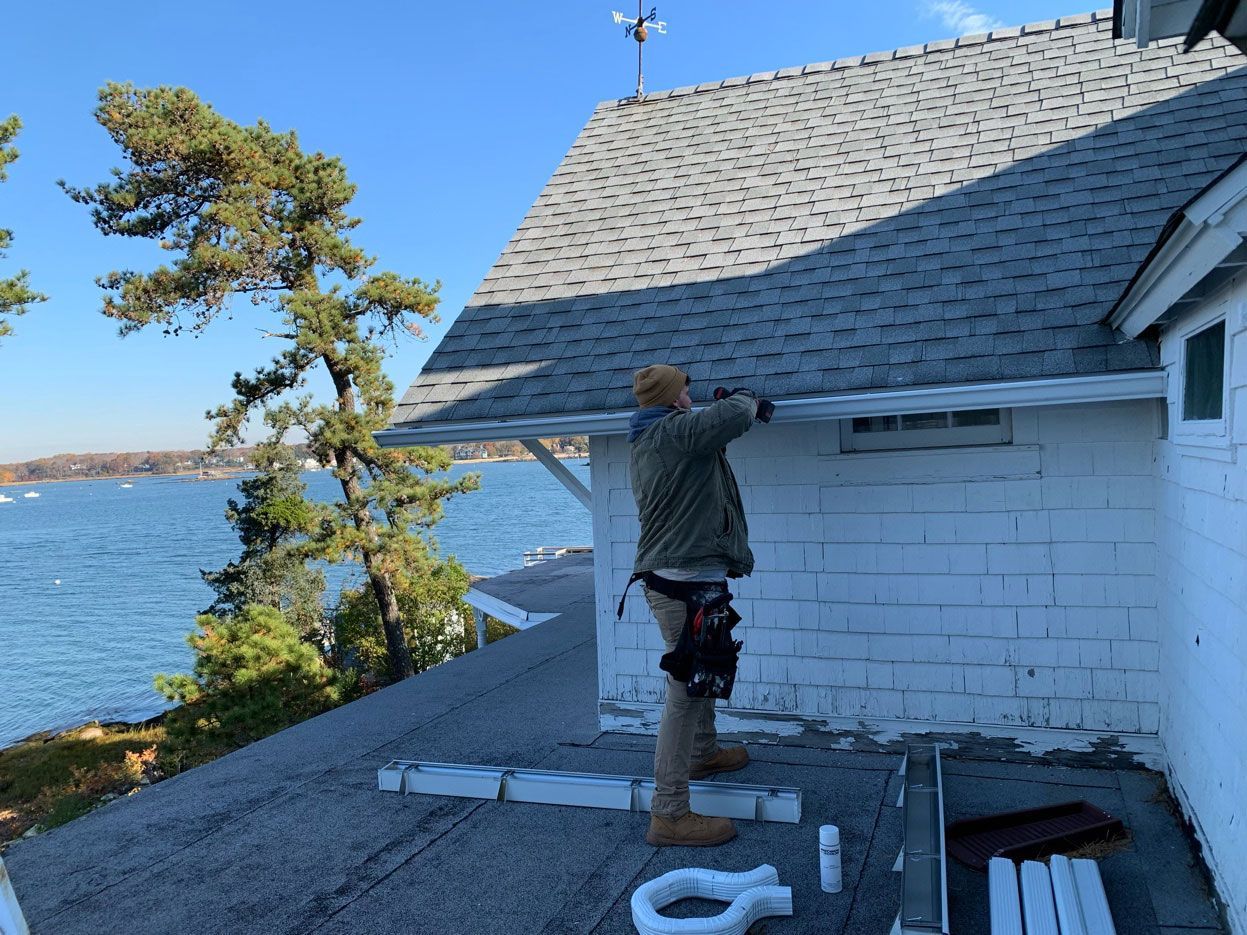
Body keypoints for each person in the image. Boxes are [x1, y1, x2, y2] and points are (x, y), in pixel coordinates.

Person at [626, 364, 761, 847]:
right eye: (686, 388)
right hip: (682, 587)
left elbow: (711, 438)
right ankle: (669, 813)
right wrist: (745, 397)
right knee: (683, 692)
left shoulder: (658, 437)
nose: (691, 394)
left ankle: (703, 754)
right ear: (671, 398)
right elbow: (735, 414)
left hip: (692, 581)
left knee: (706, 669)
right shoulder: (671, 433)